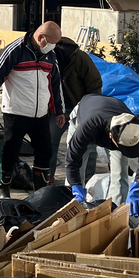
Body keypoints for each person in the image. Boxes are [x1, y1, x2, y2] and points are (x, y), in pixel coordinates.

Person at [0, 21, 66, 198]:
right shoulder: (15, 50)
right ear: (41, 38)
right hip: (16, 112)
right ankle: (4, 188)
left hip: (40, 114)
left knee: (45, 151)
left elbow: (55, 84)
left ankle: (40, 191)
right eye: (52, 42)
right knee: (10, 151)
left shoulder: (50, 56)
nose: (53, 47)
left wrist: (59, 110)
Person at [65, 93, 139, 218]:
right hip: (85, 112)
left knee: (120, 173)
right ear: (111, 137)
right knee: (76, 174)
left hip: (114, 113)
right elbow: (71, 162)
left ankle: (116, 217)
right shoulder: (87, 128)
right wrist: (75, 187)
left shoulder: (135, 130)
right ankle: (70, 217)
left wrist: (137, 186)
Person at [48, 36, 104, 183]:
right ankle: (47, 178)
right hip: (56, 110)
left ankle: (87, 179)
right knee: (49, 143)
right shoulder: (47, 57)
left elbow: (95, 83)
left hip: (80, 108)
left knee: (87, 145)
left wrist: (91, 108)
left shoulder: (80, 58)